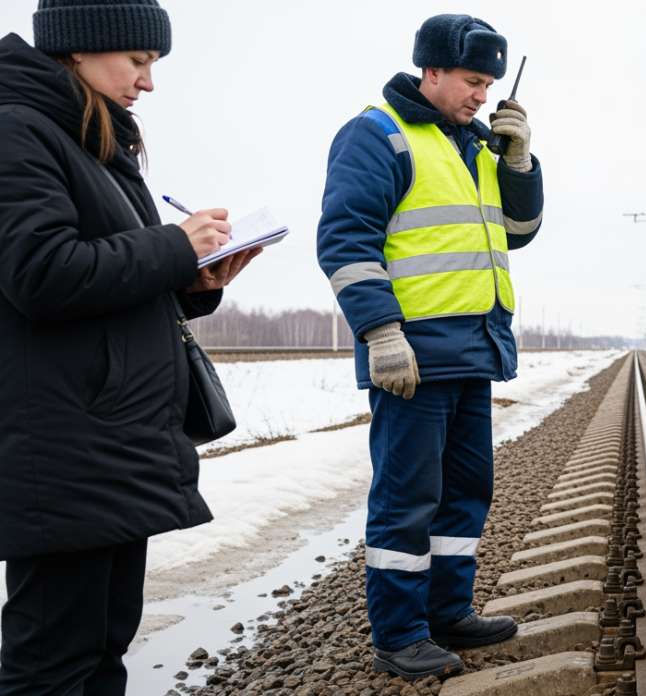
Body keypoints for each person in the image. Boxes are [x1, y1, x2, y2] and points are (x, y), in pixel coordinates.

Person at [0, 1, 258, 693]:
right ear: (78, 48)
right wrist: (173, 245)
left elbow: (111, 288)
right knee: (52, 661)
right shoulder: (17, 129)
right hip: (63, 447)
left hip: (109, 438)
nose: (148, 83)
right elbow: (40, 274)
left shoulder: (95, 140)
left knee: (102, 649)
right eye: (138, 62)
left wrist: (195, 279)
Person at [316, 14, 544, 681]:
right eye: (474, 81)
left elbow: (520, 229)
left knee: (465, 493)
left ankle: (448, 613)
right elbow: (346, 240)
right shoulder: (378, 134)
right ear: (433, 72)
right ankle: (400, 633)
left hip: (473, 349)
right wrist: (380, 333)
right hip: (411, 356)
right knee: (408, 499)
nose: (482, 94)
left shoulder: (475, 145)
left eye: (490, 83)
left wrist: (520, 159)